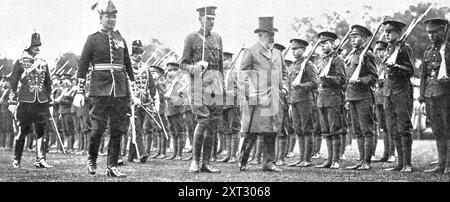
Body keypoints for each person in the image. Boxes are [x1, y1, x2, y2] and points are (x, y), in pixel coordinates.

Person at [73, 0, 136, 177]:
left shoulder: (120, 39)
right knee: (98, 128)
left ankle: (112, 166)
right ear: (100, 18)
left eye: (114, 17)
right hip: (100, 88)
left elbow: (128, 66)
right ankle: (92, 158)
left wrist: (134, 91)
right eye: (108, 16)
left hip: (120, 90)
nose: (112, 20)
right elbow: (82, 66)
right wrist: (79, 90)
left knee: (118, 128)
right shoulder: (92, 39)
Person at [238, 16, 289, 172]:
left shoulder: (278, 53)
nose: (272, 37)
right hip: (257, 99)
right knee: (251, 131)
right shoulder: (251, 51)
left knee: (271, 132)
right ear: (260, 35)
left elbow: (285, 73)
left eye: (273, 34)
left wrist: (285, 89)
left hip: (274, 99)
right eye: (268, 34)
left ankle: (268, 163)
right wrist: (250, 93)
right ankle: (243, 160)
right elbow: (243, 75)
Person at [180, 5, 224, 173]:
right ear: (200, 19)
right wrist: (196, 67)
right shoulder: (191, 38)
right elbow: (182, 64)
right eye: (208, 18)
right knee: (203, 119)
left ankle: (206, 162)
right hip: (198, 84)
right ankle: (194, 161)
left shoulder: (218, 38)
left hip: (215, 85)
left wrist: (223, 87)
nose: (211, 21)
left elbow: (220, 66)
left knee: (213, 123)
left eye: (213, 19)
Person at [9, 32, 53, 168]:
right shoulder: (20, 62)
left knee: (41, 130)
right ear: (28, 46)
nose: (37, 48)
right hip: (25, 101)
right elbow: (13, 83)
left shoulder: (43, 63)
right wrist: (12, 101)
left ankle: (40, 159)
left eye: (38, 45)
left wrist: (49, 101)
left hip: (41, 101)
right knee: (23, 130)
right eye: (35, 45)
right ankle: (17, 159)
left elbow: (48, 83)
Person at [381, 20, 415, 172]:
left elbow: (410, 70)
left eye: (390, 32)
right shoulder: (389, 49)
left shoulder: (404, 48)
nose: (387, 34)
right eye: (386, 32)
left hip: (401, 91)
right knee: (392, 128)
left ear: (398, 33)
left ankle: (407, 164)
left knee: (404, 127)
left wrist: (397, 66)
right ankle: (399, 163)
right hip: (388, 92)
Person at [344, 25, 378, 170]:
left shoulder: (367, 55)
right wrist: (347, 98)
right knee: (357, 130)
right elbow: (347, 78)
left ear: (364, 39)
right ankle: (361, 160)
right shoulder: (352, 55)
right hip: (353, 97)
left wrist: (361, 80)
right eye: (351, 37)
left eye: (356, 37)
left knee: (366, 130)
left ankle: (367, 161)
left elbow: (374, 76)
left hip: (364, 96)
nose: (353, 39)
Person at [420, 18, 450, 174]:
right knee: (438, 130)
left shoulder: (448, 49)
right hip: (431, 95)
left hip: (446, 95)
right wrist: (422, 98)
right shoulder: (428, 52)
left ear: (442, 31)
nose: (431, 35)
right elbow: (424, 76)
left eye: (434, 32)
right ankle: (441, 164)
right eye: (429, 33)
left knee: (448, 129)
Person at [314, 30, 346, 169]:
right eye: (320, 44)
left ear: (333, 44)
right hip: (322, 98)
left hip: (333, 97)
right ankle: (329, 159)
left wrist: (327, 78)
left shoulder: (337, 59)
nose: (322, 46)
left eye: (325, 43)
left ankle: (336, 160)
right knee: (326, 130)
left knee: (335, 129)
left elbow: (342, 79)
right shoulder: (322, 60)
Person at [287, 38, 318, 167]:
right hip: (294, 100)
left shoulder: (309, 65)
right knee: (298, 129)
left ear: (303, 50)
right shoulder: (293, 65)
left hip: (305, 100)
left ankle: (307, 159)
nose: (293, 52)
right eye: (292, 49)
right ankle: (301, 158)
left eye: (296, 49)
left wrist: (301, 86)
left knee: (307, 129)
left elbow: (315, 83)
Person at [128, 40, 156, 163]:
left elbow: (151, 84)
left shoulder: (145, 68)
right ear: (132, 53)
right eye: (136, 53)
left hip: (143, 102)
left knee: (137, 128)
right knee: (136, 127)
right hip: (131, 102)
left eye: (140, 53)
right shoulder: (126, 67)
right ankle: (142, 153)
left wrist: (153, 98)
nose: (139, 55)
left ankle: (131, 155)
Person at [372, 40, 396, 163]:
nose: (379, 53)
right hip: (378, 99)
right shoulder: (379, 65)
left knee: (390, 127)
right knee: (384, 128)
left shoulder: (390, 63)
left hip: (387, 97)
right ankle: (386, 154)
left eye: (381, 50)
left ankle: (392, 153)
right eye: (378, 51)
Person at [218, 52, 241, 163]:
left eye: (224, 60)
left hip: (233, 103)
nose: (222, 63)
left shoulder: (235, 72)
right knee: (226, 129)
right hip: (223, 104)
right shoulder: (221, 74)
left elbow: (241, 88)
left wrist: (230, 92)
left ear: (230, 60)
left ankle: (233, 155)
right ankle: (228, 154)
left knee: (235, 128)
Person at [164, 61, 187, 160]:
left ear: (177, 71)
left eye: (172, 71)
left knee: (179, 131)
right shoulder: (169, 84)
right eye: (168, 71)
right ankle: (175, 153)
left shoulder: (180, 84)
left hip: (177, 111)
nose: (169, 73)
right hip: (169, 110)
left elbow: (182, 99)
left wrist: (172, 98)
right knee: (172, 132)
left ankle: (179, 154)